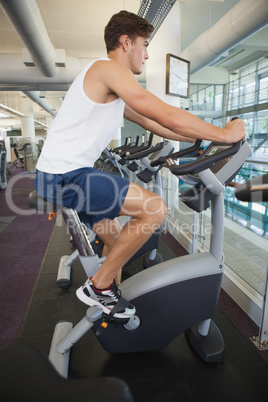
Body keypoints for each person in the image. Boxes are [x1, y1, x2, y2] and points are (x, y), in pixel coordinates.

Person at [35, 10, 246, 319]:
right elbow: (164, 113)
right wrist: (224, 134)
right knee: (154, 208)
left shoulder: (110, 86)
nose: (146, 55)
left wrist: (197, 140)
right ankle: (99, 287)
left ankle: (104, 306)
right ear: (126, 42)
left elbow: (157, 124)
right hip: (66, 176)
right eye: (144, 45)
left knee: (115, 242)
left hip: (61, 175)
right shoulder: (109, 70)